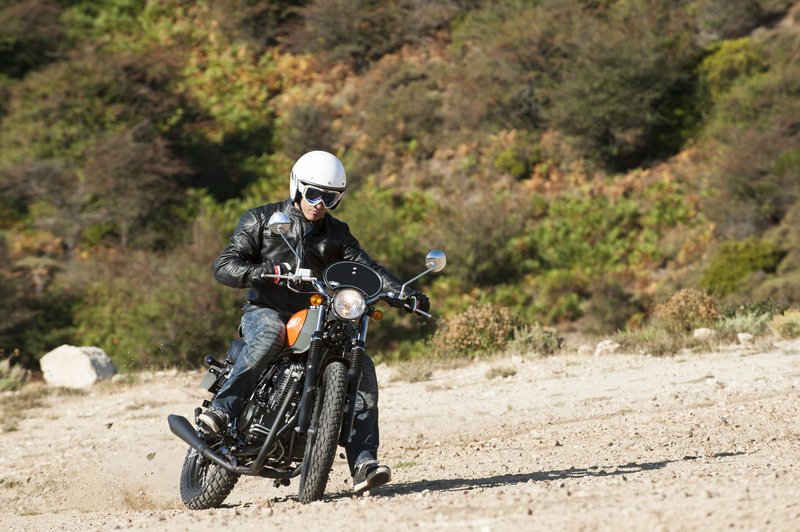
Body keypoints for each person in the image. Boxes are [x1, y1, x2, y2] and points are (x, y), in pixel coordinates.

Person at [200, 150, 430, 494]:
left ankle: (364, 463)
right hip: (268, 310)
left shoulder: (338, 234)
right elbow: (225, 265)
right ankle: (223, 409)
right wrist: (260, 271)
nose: (320, 203)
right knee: (270, 336)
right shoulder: (262, 219)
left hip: (318, 315)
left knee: (361, 367)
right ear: (297, 187)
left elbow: (369, 271)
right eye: (313, 193)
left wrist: (404, 293)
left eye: (330, 197)